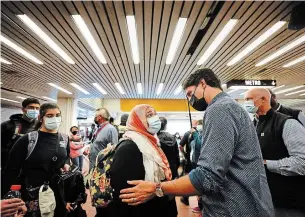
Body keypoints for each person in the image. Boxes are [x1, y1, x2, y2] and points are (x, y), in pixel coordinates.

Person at [119, 68, 274, 217]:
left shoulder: (220, 109)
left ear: (202, 83)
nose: (190, 100)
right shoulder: (232, 107)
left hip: (234, 208)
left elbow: (208, 177)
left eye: (190, 93)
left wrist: (157, 188)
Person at [105, 104, 175, 217]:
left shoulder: (152, 143)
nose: (155, 118)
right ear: (137, 120)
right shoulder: (128, 147)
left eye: (155, 114)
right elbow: (124, 192)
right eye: (149, 115)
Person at [2, 103, 71, 217]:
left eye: (57, 115)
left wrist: (66, 164)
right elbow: (10, 171)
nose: (54, 118)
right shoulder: (28, 140)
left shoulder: (64, 139)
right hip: (32, 195)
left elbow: (66, 158)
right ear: (40, 118)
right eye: (49, 116)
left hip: (57, 193)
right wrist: (12, 198)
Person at [244, 88, 305, 216]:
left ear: (264, 99)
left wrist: (266, 164)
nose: (246, 103)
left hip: (287, 204)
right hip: (263, 199)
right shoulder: (252, 125)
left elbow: (302, 162)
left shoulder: (287, 123)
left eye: (249, 99)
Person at [1, 98, 40, 170]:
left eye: (37, 108)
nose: (35, 110)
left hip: (32, 168)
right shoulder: (8, 125)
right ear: (23, 109)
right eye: (31, 107)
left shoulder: (40, 126)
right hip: (11, 166)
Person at [179, 119, 198, 206]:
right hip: (200, 161)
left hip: (189, 160)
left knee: (188, 180)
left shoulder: (187, 134)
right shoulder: (202, 133)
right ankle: (200, 203)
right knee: (199, 180)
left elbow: (180, 146)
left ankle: (186, 198)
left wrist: (184, 154)